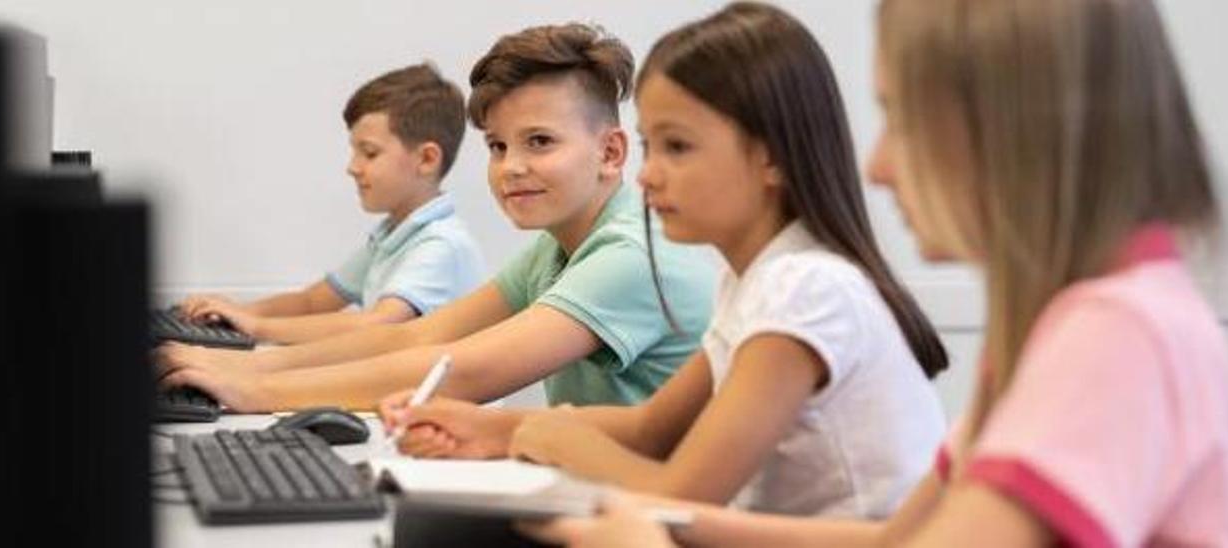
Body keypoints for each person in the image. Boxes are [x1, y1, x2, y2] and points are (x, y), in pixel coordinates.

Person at [522, 0, 1228, 545]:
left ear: (1009, 128)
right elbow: (899, 541)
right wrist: (665, 519)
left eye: (903, 120)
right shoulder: (1061, 329)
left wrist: (638, 521)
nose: (880, 166)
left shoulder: (1116, 334)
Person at [383, 2, 948, 518]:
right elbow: (649, 428)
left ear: (772, 155)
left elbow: (680, 493)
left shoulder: (805, 288)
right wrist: (494, 429)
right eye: (651, 147)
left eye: (676, 147)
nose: (648, 174)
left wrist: (552, 438)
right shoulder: (753, 280)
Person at [157, 23, 716, 412]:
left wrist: (257, 387)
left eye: (539, 142)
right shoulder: (557, 248)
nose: (511, 167)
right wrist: (248, 370)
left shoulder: (632, 253)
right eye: (497, 147)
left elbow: (462, 370)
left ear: (611, 153)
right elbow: (419, 337)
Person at [177, 63, 484, 345]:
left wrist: (256, 326)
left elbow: (378, 325)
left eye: (369, 153)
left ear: (427, 159)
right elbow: (312, 302)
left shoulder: (442, 246)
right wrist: (235, 313)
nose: (353, 167)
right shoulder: (394, 234)